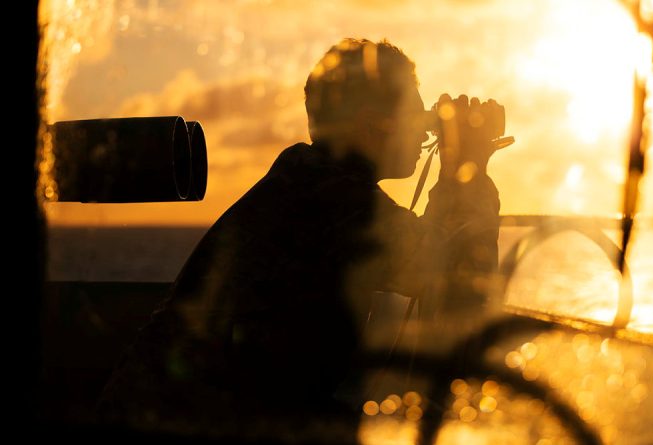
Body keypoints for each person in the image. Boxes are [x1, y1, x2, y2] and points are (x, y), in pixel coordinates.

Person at [97, 38, 504, 440]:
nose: (424, 135)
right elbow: (446, 271)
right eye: (416, 118)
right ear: (372, 124)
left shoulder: (307, 181)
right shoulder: (332, 200)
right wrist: (466, 166)